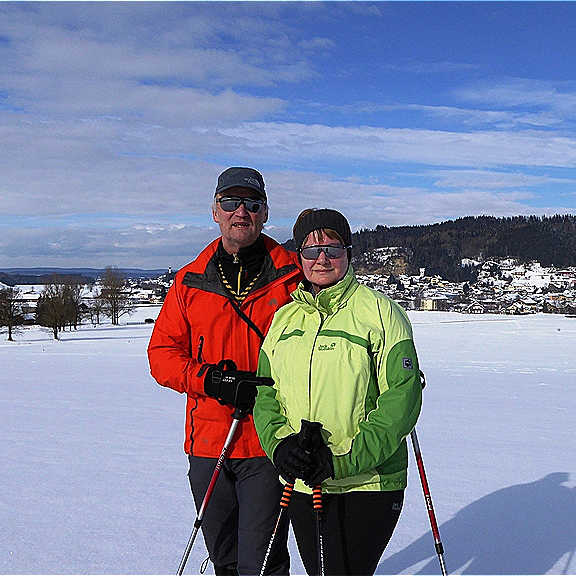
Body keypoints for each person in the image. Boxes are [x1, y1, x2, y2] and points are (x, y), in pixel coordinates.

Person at [148, 167, 302, 576]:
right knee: (225, 558)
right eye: (231, 202)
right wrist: (210, 380)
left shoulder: (293, 277)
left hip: (268, 441)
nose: (241, 212)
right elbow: (162, 354)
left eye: (252, 204)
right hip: (207, 443)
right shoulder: (190, 281)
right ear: (215, 210)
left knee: (262, 563)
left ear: (265, 213)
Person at [253, 208, 423, 576]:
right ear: (299, 256)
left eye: (332, 248)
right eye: (312, 251)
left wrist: (341, 459)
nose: (322, 259)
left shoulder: (379, 312)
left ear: (348, 252)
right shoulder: (284, 319)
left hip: (368, 483)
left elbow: (402, 399)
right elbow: (266, 396)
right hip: (303, 481)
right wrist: (280, 446)